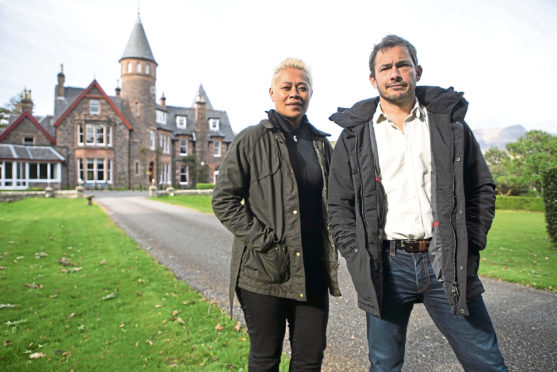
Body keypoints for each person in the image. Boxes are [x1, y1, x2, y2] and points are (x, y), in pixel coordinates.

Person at [327, 35, 508, 372]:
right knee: (384, 365)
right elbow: (338, 204)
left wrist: (471, 241)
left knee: (486, 362)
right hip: (387, 266)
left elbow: (482, 187)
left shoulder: (449, 125)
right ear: (373, 79)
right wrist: (356, 253)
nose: (395, 73)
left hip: (446, 260)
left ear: (417, 71)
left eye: (402, 65)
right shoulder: (354, 136)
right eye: (385, 68)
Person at [212, 58, 341, 372]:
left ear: (310, 93)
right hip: (263, 272)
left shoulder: (322, 145)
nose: (294, 93)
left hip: (312, 271)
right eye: (287, 87)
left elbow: (337, 202)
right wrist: (267, 243)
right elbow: (224, 200)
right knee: (265, 358)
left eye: (302, 87)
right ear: (272, 92)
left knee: (309, 360)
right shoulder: (250, 139)